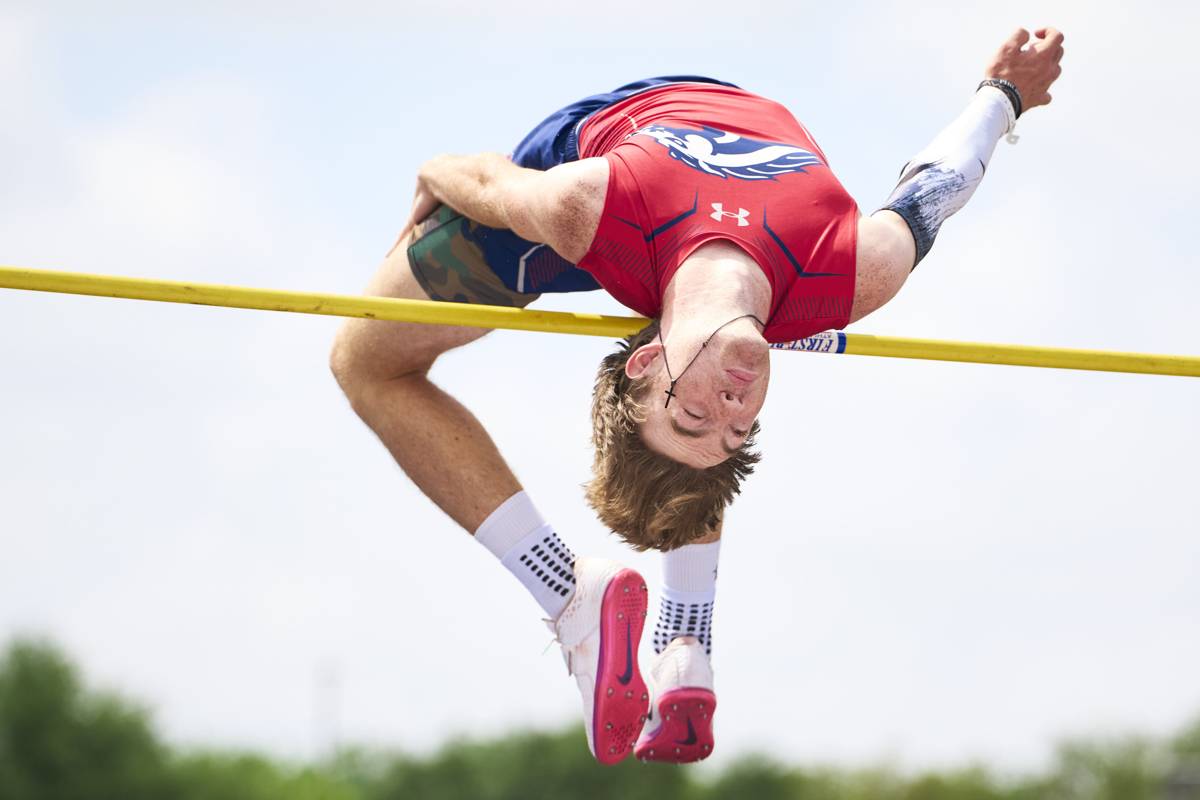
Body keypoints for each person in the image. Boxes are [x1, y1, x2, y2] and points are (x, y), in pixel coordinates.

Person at [329, 27, 1065, 765]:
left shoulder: (585, 204)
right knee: (696, 437)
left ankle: (568, 594)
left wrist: (434, 169)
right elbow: (937, 185)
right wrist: (1002, 96)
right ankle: (688, 646)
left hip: (580, 193)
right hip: (707, 171)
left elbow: (490, 184)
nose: (734, 406)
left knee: (362, 361)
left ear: (646, 360)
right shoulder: (849, 278)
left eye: (692, 415)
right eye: (739, 432)